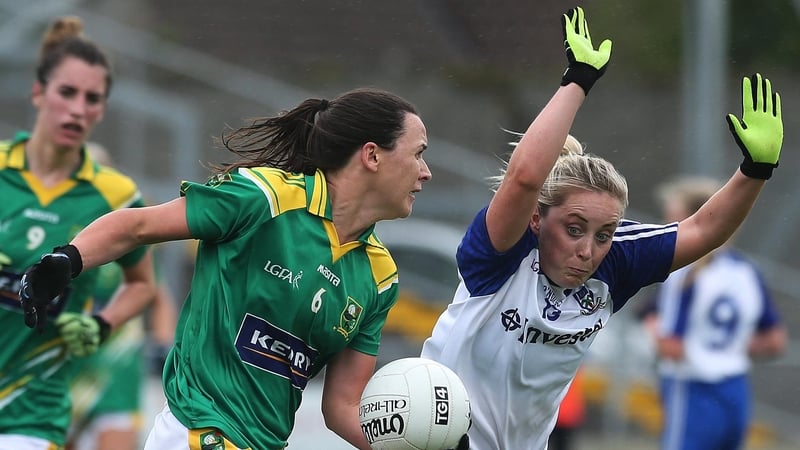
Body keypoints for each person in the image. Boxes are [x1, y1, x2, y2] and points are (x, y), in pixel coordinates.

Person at [420, 5, 784, 450]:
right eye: (574, 229)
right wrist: (578, 79)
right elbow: (525, 178)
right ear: (538, 219)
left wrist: (755, 169)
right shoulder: (502, 251)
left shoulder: (616, 264)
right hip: (442, 439)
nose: (589, 250)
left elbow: (703, 231)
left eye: (604, 233)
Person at [18, 86, 433, 449]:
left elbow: (343, 406)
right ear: (373, 156)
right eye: (418, 154)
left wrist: (415, 445)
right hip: (198, 431)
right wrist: (68, 259)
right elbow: (139, 224)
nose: (426, 172)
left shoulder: (380, 277)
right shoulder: (265, 198)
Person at [0, 16, 157, 450]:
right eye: (67, 93)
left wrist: (101, 325)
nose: (78, 109)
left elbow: (143, 286)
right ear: (38, 92)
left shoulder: (116, 195)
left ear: (102, 110)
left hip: (33, 409)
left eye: (93, 99)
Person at [652, 176, 787, 450]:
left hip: (692, 388)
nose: (667, 227)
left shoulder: (685, 275)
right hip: (736, 388)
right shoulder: (747, 271)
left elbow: (671, 348)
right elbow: (775, 341)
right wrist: (728, 350)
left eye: (673, 219)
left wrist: (654, 331)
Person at [66, 143, 178, 450]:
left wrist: (162, 344)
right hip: (67, 355)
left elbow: (157, 294)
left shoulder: (126, 232)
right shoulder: (60, 229)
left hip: (117, 359)